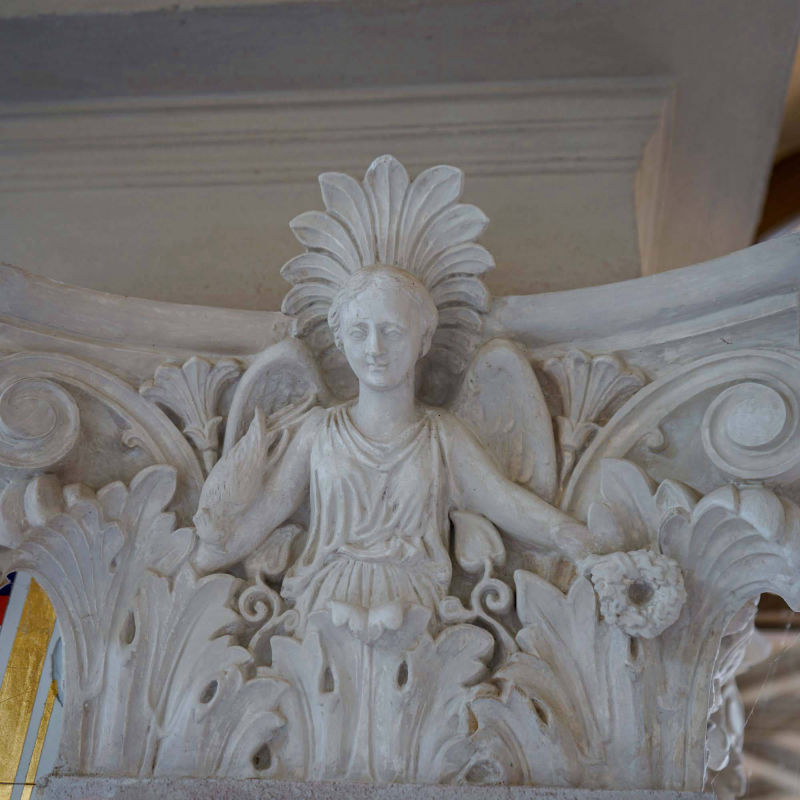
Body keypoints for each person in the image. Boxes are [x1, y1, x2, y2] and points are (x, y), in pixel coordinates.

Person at [193, 265, 602, 631]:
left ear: (423, 339)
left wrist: (569, 534)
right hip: (324, 599)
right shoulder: (318, 431)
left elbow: (502, 499)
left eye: (391, 331)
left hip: (415, 604)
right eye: (359, 332)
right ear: (340, 340)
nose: (375, 348)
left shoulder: (442, 435)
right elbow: (271, 507)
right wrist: (211, 551)